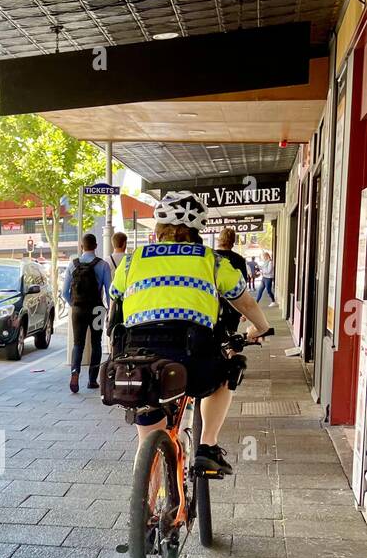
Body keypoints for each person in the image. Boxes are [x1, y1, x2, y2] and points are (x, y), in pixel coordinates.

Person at [107, 191, 270, 475]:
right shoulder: (212, 260)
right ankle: (207, 447)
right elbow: (243, 300)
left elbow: (115, 296)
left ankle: (147, 491)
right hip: (193, 357)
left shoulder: (132, 261)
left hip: (139, 359)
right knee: (226, 373)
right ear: (197, 230)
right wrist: (260, 328)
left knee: (147, 414)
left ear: (158, 230)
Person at [62, 233, 111, 393]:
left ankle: (75, 372)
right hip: (97, 309)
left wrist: (73, 304)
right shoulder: (103, 265)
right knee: (96, 343)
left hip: (78, 309)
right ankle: (92, 380)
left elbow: (64, 292)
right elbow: (109, 290)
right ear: (96, 246)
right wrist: (109, 310)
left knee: (78, 344)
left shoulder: (73, 264)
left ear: (82, 246)